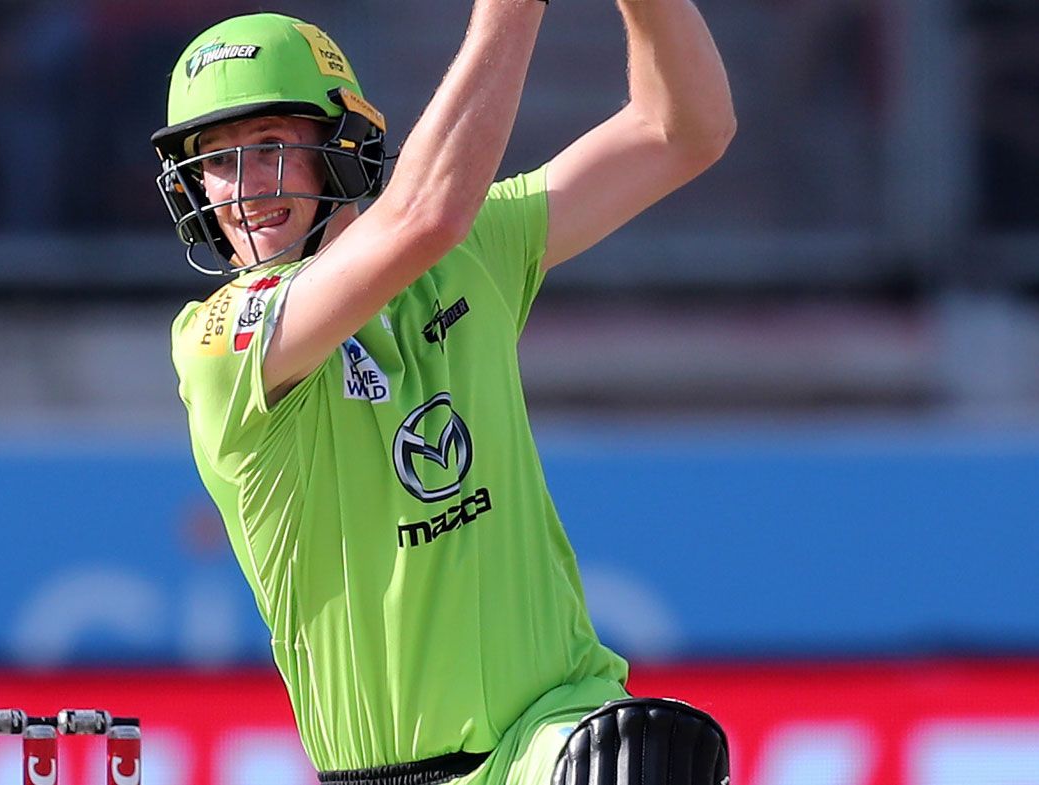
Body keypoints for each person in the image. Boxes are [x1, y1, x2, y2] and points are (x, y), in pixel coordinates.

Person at [153, 3, 735, 783]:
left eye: (270, 148)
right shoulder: (219, 341)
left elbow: (684, 128)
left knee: (636, 759)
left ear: (339, 148)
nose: (243, 188)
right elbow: (423, 215)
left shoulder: (472, 248)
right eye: (216, 162)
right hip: (395, 769)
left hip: (554, 731)